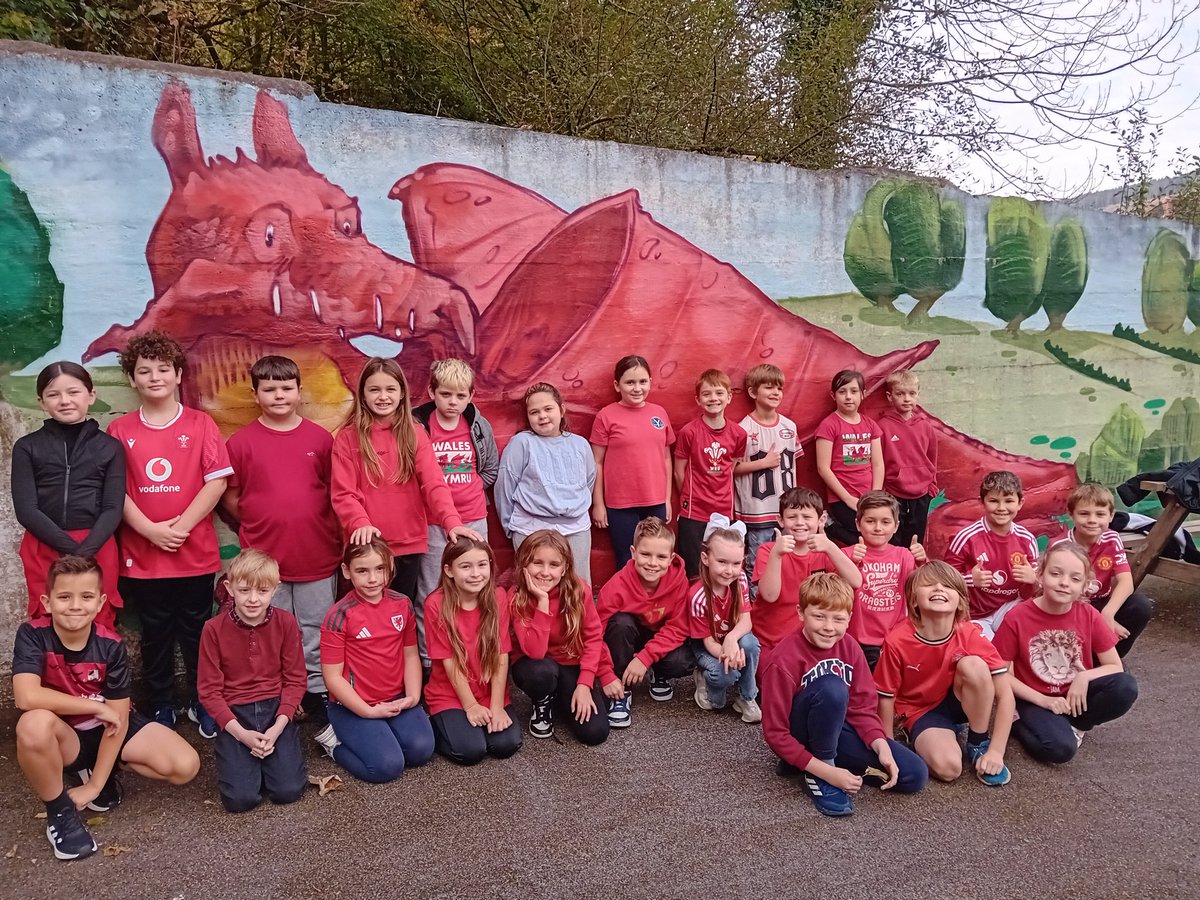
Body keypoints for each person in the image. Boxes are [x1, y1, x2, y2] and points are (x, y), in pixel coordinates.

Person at [13, 556, 199, 861]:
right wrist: (91, 706)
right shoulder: (32, 635)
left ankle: (103, 772)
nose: (75, 605)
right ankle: (60, 812)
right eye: (64, 597)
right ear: (47, 602)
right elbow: (26, 696)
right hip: (66, 737)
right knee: (32, 725)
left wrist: (96, 786)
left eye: (86, 597)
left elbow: (118, 717)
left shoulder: (110, 645)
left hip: (109, 727)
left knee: (185, 766)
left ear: (100, 603)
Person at [106, 331, 232, 736]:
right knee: (155, 633)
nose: (154, 377)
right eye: (144, 371)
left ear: (179, 375)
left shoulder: (200, 424)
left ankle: (202, 701)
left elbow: (216, 482)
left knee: (197, 632)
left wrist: (178, 528)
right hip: (143, 556)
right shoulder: (120, 430)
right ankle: (160, 703)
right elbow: (117, 491)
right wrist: (149, 530)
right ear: (132, 379)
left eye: (163, 369)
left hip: (193, 551)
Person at [222, 355, 341, 724]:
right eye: (269, 389)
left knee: (314, 627)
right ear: (255, 394)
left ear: (299, 391)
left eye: (286, 388)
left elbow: (333, 491)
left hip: (315, 554)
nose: (278, 395)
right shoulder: (241, 443)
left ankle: (318, 693)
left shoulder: (319, 439)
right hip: (264, 558)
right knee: (271, 628)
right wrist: (259, 523)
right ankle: (279, 695)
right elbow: (231, 496)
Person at [759, 572, 928, 817]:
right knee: (832, 687)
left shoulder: (850, 646)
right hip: (800, 733)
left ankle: (822, 761)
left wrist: (880, 744)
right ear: (800, 613)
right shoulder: (783, 659)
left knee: (913, 774)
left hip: (836, 730)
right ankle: (820, 770)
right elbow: (775, 733)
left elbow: (862, 708)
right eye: (819, 617)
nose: (828, 627)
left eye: (838, 619)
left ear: (849, 618)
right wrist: (829, 773)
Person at [331, 356, 480, 602]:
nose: (383, 396)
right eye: (374, 390)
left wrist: (451, 521)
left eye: (390, 389)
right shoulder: (348, 438)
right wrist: (360, 523)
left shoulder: (415, 433)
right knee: (367, 618)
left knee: (402, 616)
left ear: (402, 393)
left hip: (408, 543)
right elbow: (343, 493)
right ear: (363, 394)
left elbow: (433, 483)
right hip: (368, 547)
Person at [992, 542, 1139, 764]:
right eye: (1055, 574)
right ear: (1040, 576)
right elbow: (999, 673)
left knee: (1124, 686)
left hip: (1074, 694)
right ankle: (1018, 720)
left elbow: (1115, 666)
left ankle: (1078, 724)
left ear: (1084, 586)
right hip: (1034, 697)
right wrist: (1043, 700)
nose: (1064, 583)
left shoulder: (1088, 613)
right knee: (1059, 750)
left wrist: (1084, 676)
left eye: (1075, 579)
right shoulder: (1017, 617)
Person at [875, 562, 1015, 787]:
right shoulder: (897, 640)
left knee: (975, 666)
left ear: (960, 600)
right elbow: (886, 695)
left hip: (957, 699)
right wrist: (888, 745)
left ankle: (979, 743)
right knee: (949, 769)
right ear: (913, 600)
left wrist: (997, 751)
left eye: (948, 586)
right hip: (920, 710)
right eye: (929, 584)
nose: (939, 588)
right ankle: (926, 734)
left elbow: (1006, 694)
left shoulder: (969, 632)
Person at [12, 361, 125, 629]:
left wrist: (85, 551)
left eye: (73, 392)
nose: (65, 401)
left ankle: (97, 671)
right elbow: (27, 510)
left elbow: (112, 508)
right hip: (44, 544)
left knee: (97, 617)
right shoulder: (27, 447)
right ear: (41, 402)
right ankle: (51, 671)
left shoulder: (110, 448)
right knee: (48, 616)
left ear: (91, 396)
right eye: (53, 394)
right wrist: (70, 550)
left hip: (97, 544)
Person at [316, 538, 435, 783]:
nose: (372, 579)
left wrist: (412, 696)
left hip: (394, 698)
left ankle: (381, 733)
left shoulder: (402, 604)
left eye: (379, 569)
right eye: (362, 570)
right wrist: (368, 712)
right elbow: (332, 678)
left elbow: (410, 654)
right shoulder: (339, 615)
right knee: (386, 767)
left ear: (390, 566)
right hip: (354, 706)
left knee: (421, 751)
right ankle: (333, 743)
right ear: (347, 571)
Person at [197, 549, 307, 812]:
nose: (253, 599)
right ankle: (243, 757)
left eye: (262, 591)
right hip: (236, 714)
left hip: (275, 710)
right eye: (244, 590)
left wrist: (278, 727)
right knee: (240, 800)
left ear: (275, 590)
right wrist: (241, 734)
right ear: (229, 588)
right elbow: (209, 690)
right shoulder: (213, 629)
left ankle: (279, 749)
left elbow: (295, 679)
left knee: (288, 791)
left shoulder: (286, 622)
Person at [413, 359, 500, 665]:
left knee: (475, 584)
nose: (453, 402)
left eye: (460, 396)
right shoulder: (419, 426)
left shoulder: (477, 425)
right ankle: (429, 662)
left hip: (473, 517)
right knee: (431, 589)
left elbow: (490, 469)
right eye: (446, 394)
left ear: (471, 395)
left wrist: (473, 487)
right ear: (431, 392)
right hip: (433, 521)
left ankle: (475, 655)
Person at [424, 537, 523, 765]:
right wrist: (470, 706)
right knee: (470, 752)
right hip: (450, 693)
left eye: (482, 564)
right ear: (449, 570)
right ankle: (434, 724)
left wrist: (496, 706)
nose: (476, 573)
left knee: (504, 745)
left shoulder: (497, 597)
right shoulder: (436, 604)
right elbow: (449, 661)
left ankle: (479, 716)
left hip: (488, 690)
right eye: (465, 566)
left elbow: (501, 656)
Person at [508, 530, 609, 745]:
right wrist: (542, 602)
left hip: (569, 662)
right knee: (542, 672)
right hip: (534, 664)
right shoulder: (517, 596)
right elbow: (534, 651)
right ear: (524, 565)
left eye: (554, 565)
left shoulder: (579, 590)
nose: (545, 572)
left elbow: (593, 638)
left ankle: (562, 698)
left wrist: (584, 684)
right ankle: (542, 699)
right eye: (537, 563)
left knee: (595, 732)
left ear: (565, 569)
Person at [596, 517, 694, 728]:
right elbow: (594, 634)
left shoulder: (679, 581)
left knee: (684, 659)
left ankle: (659, 673)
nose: (652, 563)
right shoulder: (616, 587)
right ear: (633, 553)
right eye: (645, 554)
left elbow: (678, 627)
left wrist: (645, 658)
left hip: (657, 639)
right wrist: (605, 673)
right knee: (620, 623)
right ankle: (621, 688)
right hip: (631, 634)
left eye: (661, 557)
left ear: (671, 558)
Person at [496, 383, 597, 584]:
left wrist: (576, 508)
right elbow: (505, 486)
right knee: (534, 587)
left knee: (577, 587)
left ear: (561, 410)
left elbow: (589, 481)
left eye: (548, 409)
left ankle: (576, 618)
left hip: (575, 527)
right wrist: (511, 527)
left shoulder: (580, 444)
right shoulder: (522, 443)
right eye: (534, 412)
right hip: (530, 527)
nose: (542, 416)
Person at [752, 488, 861, 660]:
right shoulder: (768, 550)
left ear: (821, 519)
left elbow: (855, 581)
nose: (799, 522)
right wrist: (776, 554)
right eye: (792, 517)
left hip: (813, 638)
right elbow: (769, 595)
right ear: (780, 520)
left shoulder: (825, 551)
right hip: (772, 640)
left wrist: (831, 547)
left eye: (807, 517)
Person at [590, 355, 675, 569]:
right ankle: (627, 603)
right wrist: (598, 503)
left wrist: (666, 499)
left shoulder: (659, 413)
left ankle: (655, 602)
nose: (637, 388)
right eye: (630, 382)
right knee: (627, 560)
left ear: (650, 382)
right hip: (620, 505)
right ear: (617, 385)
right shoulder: (606, 416)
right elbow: (596, 463)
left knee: (655, 558)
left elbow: (666, 457)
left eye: (642, 382)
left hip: (654, 500)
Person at [1052, 482, 1153, 657]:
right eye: (1084, 514)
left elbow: (1126, 582)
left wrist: (1108, 614)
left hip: (1100, 602)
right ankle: (1081, 659)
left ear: (1111, 516)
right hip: (1069, 606)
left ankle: (1110, 659)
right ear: (1071, 515)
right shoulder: (1059, 546)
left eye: (1100, 514)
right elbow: (1054, 595)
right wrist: (1101, 622)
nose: (1092, 520)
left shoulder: (1111, 538)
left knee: (1140, 605)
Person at [945, 470, 1040, 639]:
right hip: (974, 614)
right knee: (985, 656)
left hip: (1009, 607)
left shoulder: (1027, 540)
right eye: (994, 501)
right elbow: (944, 579)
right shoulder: (966, 538)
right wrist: (969, 580)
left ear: (1020, 503)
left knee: (1031, 634)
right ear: (982, 502)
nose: (1001, 508)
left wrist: (1033, 579)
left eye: (1009, 501)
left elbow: (1031, 593)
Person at [673, 369, 748, 578]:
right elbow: (679, 472)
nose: (713, 398)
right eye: (706, 394)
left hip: (724, 510)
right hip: (694, 512)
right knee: (693, 570)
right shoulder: (689, 432)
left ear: (729, 397)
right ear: (698, 400)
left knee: (723, 568)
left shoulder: (739, 434)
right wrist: (691, 497)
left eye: (719, 393)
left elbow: (731, 467)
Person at [687, 515, 761, 723]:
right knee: (718, 698)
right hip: (707, 646)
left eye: (736, 563)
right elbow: (707, 640)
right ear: (705, 559)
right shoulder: (698, 596)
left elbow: (746, 621)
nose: (729, 570)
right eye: (721, 562)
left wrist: (731, 641)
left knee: (751, 644)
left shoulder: (740, 580)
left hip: (729, 639)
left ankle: (747, 697)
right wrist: (728, 656)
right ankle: (704, 677)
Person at [733, 363, 800, 582]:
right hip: (757, 511)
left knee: (790, 564)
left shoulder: (789, 426)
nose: (775, 393)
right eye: (769, 387)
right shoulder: (743, 429)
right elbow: (732, 469)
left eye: (779, 388)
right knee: (757, 564)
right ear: (753, 392)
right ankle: (757, 612)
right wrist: (763, 463)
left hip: (786, 511)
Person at [848, 491, 923, 669]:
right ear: (858, 524)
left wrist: (921, 562)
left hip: (896, 638)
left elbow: (921, 589)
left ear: (896, 526)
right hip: (857, 641)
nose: (878, 528)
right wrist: (851, 563)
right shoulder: (846, 555)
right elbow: (834, 593)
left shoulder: (904, 555)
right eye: (870, 521)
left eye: (885, 522)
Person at [814, 369, 883, 546]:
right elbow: (823, 468)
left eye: (853, 391)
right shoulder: (829, 425)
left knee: (878, 537)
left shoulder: (870, 425)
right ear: (833, 395)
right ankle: (830, 526)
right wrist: (847, 498)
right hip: (842, 498)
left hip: (869, 497)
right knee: (859, 540)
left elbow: (877, 464)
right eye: (842, 392)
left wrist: (875, 494)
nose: (848, 397)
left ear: (863, 394)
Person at [877, 370, 938, 547]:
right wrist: (883, 490)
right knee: (894, 541)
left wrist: (931, 485)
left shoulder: (925, 427)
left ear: (918, 395)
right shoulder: (882, 427)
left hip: (921, 494)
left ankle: (914, 574)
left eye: (912, 393)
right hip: (894, 494)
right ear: (890, 396)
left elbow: (932, 457)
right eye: (900, 394)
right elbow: (877, 461)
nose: (906, 399)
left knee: (915, 541)